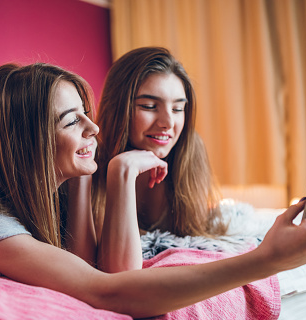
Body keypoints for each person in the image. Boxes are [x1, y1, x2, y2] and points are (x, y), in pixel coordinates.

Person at [0, 62, 306, 319]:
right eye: (73, 120)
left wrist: (103, 173)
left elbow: (95, 265)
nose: (95, 127)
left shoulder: (47, 186)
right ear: (30, 141)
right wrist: (265, 260)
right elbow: (108, 291)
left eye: (86, 113)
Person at [92, 47, 230, 271]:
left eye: (177, 108)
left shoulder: (189, 149)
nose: (168, 122)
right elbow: (117, 272)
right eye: (149, 106)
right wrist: (123, 170)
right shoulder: (89, 159)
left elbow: (194, 232)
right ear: (117, 107)